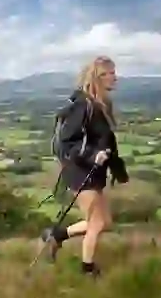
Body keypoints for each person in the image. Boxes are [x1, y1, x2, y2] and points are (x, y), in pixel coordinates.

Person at [41, 56, 129, 277]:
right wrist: (92, 155)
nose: (115, 77)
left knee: (105, 222)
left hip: (95, 170)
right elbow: (68, 142)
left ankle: (56, 236)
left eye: (114, 72)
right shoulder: (83, 106)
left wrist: (118, 170)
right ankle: (88, 269)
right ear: (97, 77)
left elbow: (107, 142)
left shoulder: (102, 105)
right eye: (110, 73)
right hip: (80, 170)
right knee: (97, 222)